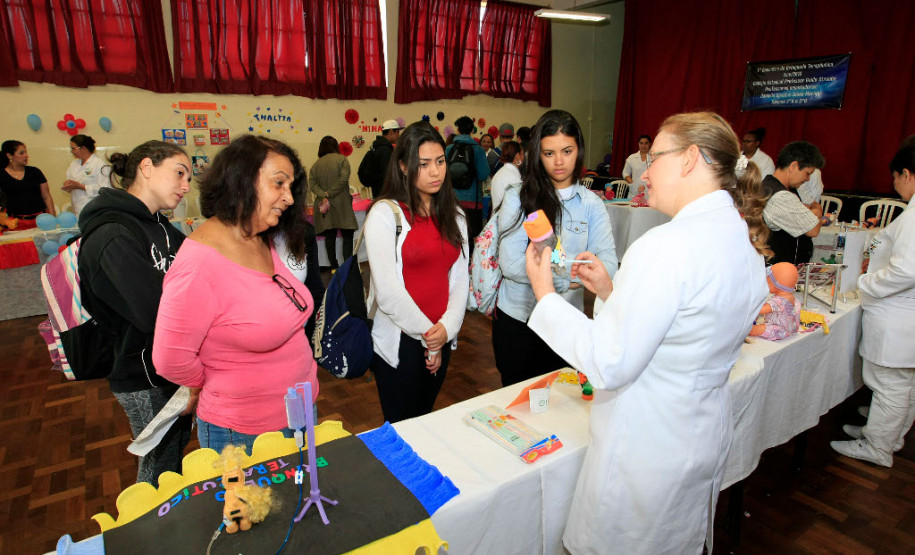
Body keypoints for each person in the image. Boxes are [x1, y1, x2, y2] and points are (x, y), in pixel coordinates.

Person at [525, 111, 770, 553]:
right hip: (696, 434)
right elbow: (678, 330)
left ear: (690, 158)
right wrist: (608, 291)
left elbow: (609, 361)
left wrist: (544, 294)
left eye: (655, 157)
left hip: (645, 446)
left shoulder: (666, 246)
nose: (645, 170)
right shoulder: (738, 237)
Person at [153, 135, 318, 455]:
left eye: (290, 186)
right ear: (241, 182)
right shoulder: (199, 263)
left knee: (300, 502)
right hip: (245, 430)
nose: (288, 198)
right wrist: (217, 382)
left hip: (296, 412)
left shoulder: (258, 238)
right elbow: (170, 358)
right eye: (279, 184)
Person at [77, 140, 194, 486]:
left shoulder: (159, 225)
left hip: (170, 365)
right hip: (140, 372)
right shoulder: (112, 234)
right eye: (179, 173)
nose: (186, 185)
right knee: (158, 464)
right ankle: (148, 530)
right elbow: (152, 311)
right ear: (146, 168)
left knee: (173, 451)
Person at [493, 109, 618, 387]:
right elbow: (512, 264)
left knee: (560, 410)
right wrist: (570, 276)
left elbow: (608, 264)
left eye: (567, 151)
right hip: (519, 321)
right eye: (549, 153)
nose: (559, 162)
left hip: (566, 323)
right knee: (517, 407)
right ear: (537, 153)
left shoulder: (591, 204)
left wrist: (557, 275)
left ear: (579, 150)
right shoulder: (518, 196)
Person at [364, 121, 469, 424]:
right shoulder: (385, 214)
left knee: (426, 422)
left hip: (442, 334)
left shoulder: (454, 213)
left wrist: (446, 328)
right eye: (424, 164)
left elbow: (460, 277)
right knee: (402, 428)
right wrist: (429, 337)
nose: (435, 172)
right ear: (404, 167)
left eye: (439, 162)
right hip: (402, 341)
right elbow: (387, 291)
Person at [831, 144, 915, 468]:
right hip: (903, 314)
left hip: (898, 316)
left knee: (890, 385)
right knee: (902, 385)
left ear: (905, 174)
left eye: (896, 178)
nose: (895, 186)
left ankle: (878, 446)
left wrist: (866, 283)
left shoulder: (911, 217)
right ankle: (885, 436)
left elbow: (906, 269)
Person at [762, 141, 826, 264]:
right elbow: (813, 229)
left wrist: (808, 212)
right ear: (794, 166)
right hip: (778, 271)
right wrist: (816, 211)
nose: (807, 179)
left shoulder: (777, 188)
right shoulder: (780, 196)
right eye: (807, 173)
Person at [309, 136, 357, 270]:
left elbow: (312, 185)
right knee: (347, 234)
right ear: (336, 146)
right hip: (342, 204)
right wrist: (330, 193)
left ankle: (334, 267)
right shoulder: (342, 160)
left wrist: (323, 194)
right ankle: (347, 266)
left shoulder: (315, 165)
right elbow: (343, 180)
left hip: (325, 206)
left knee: (330, 235)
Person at [446, 116, 490, 253]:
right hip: (473, 202)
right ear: (472, 130)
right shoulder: (478, 150)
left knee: (452, 237)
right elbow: (483, 175)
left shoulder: (449, 149)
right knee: (471, 239)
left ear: (458, 130)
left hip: (452, 200)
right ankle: (469, 269)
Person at [1, 140, 55, 222]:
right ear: (9, 156)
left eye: (26, 152)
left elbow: (47, 197)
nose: (26, 156)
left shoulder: (35, 172)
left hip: (40, 220)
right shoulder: (2, 175)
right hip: (14, 222)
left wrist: (52, 218)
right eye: (21, 153)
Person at [63, 134, 110, 215]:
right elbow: (69, 180)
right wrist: (67, 185)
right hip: (77, 209)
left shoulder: (100, 165)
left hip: (95, 209)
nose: (72, 151)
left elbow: (106, 190)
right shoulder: (74, 164)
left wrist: (82, 187)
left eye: (74, 149)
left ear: (83, 148)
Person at [359, 119, 401, 199]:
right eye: (398, 132)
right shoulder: (386, 150)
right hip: (387, 195)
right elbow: (388, 175)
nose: (399, 136)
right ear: (391, 132)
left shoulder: (376, 148)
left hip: (377, 193)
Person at [489, 140, 523, 212]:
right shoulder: (514, 176)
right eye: (522, 154)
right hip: (508, 219)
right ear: (517, 156)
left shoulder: (500, 172)